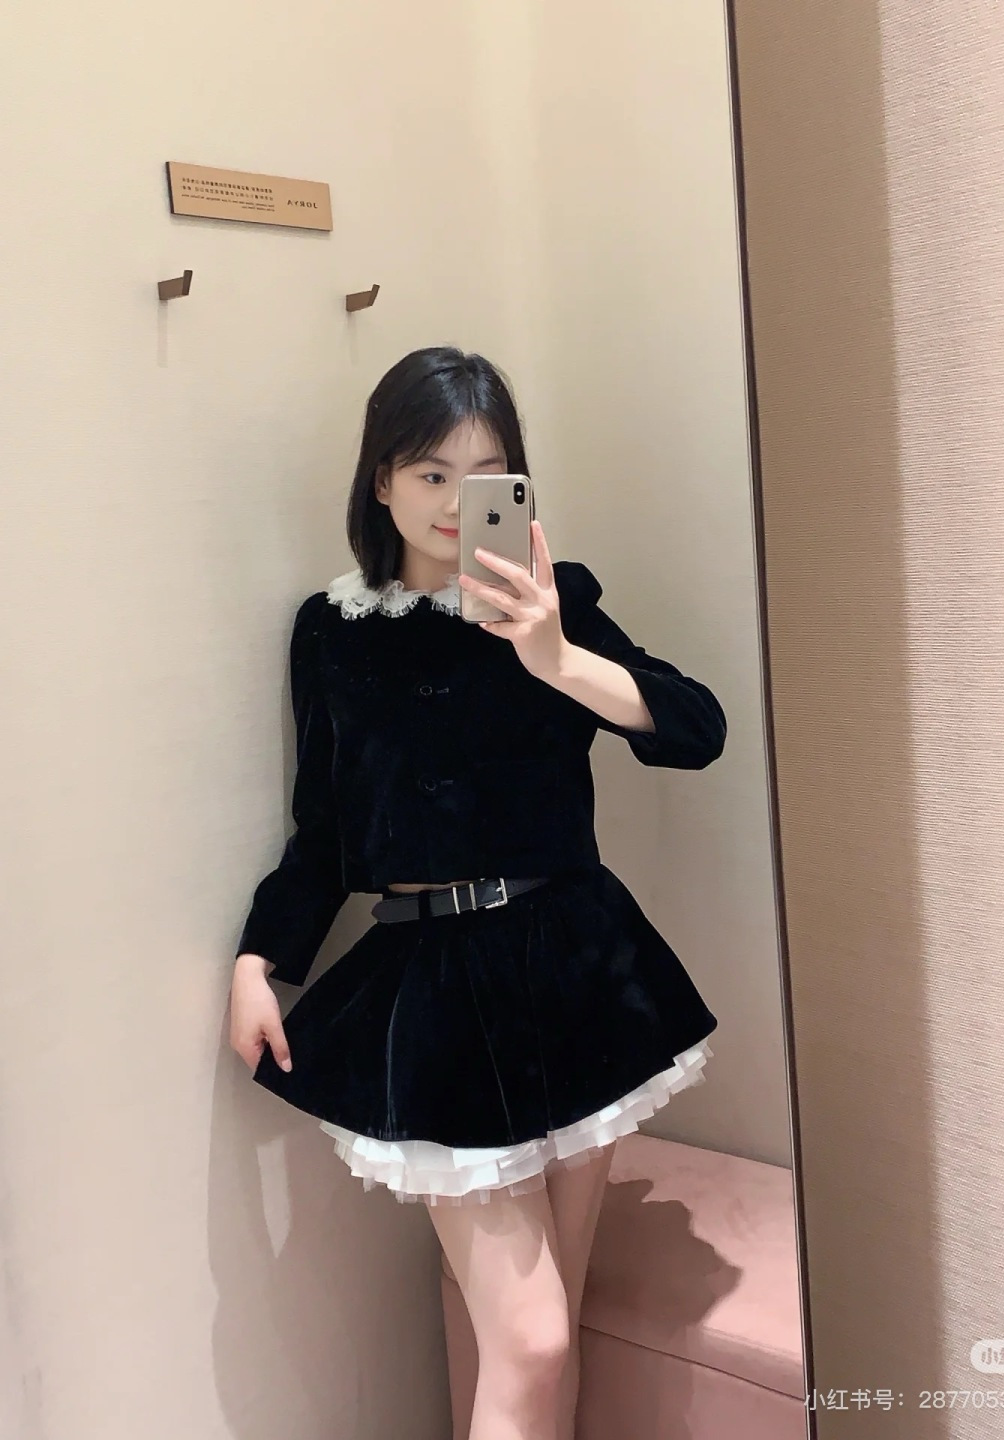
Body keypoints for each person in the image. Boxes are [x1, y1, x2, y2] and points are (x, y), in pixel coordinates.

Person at [228, 346, 727, 1440]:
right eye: (430, 473)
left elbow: (697, 728)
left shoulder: (553, 602)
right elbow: (327, 830)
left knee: (554, 1327)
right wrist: (261, 959)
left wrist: (556, 657)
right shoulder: (333, 631)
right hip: (437, 994)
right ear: (382, 480)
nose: (457, 502)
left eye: (486, 474)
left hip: (576, 964)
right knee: (531, 1338)